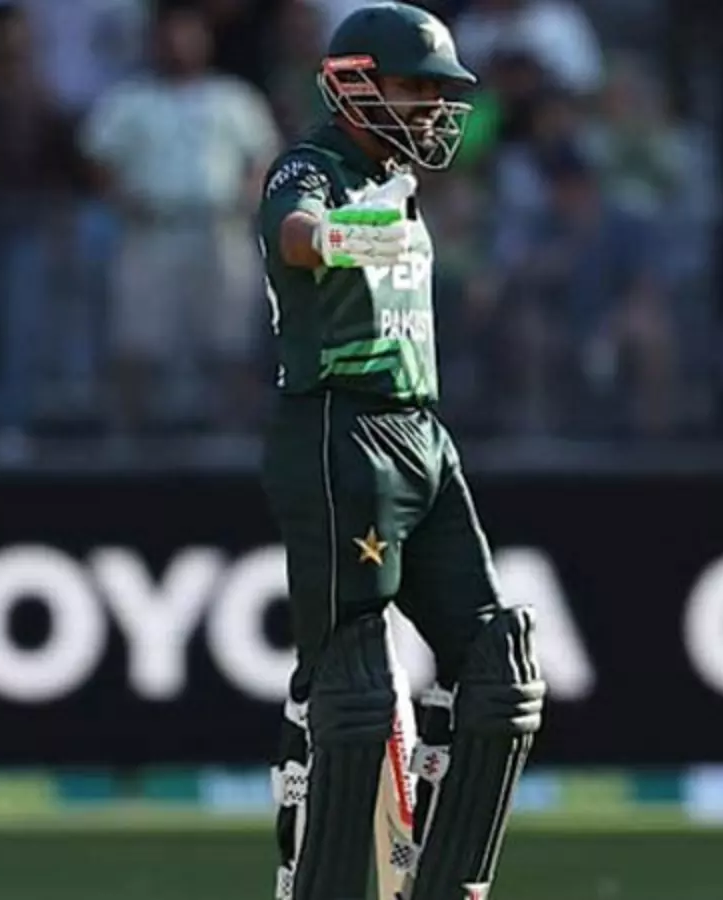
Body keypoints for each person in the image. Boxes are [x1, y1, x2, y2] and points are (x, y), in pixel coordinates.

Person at [254, 4, 545, 900]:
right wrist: (334, 238)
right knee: (350, 688)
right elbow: (293, 231)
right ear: (355, 84)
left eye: (439, 91)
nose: (433, 108)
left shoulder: (395, 178)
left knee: (499, 671)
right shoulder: (314, 165)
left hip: (423, 434)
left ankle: (443, 885)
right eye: (416, 87)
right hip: (338, 428)